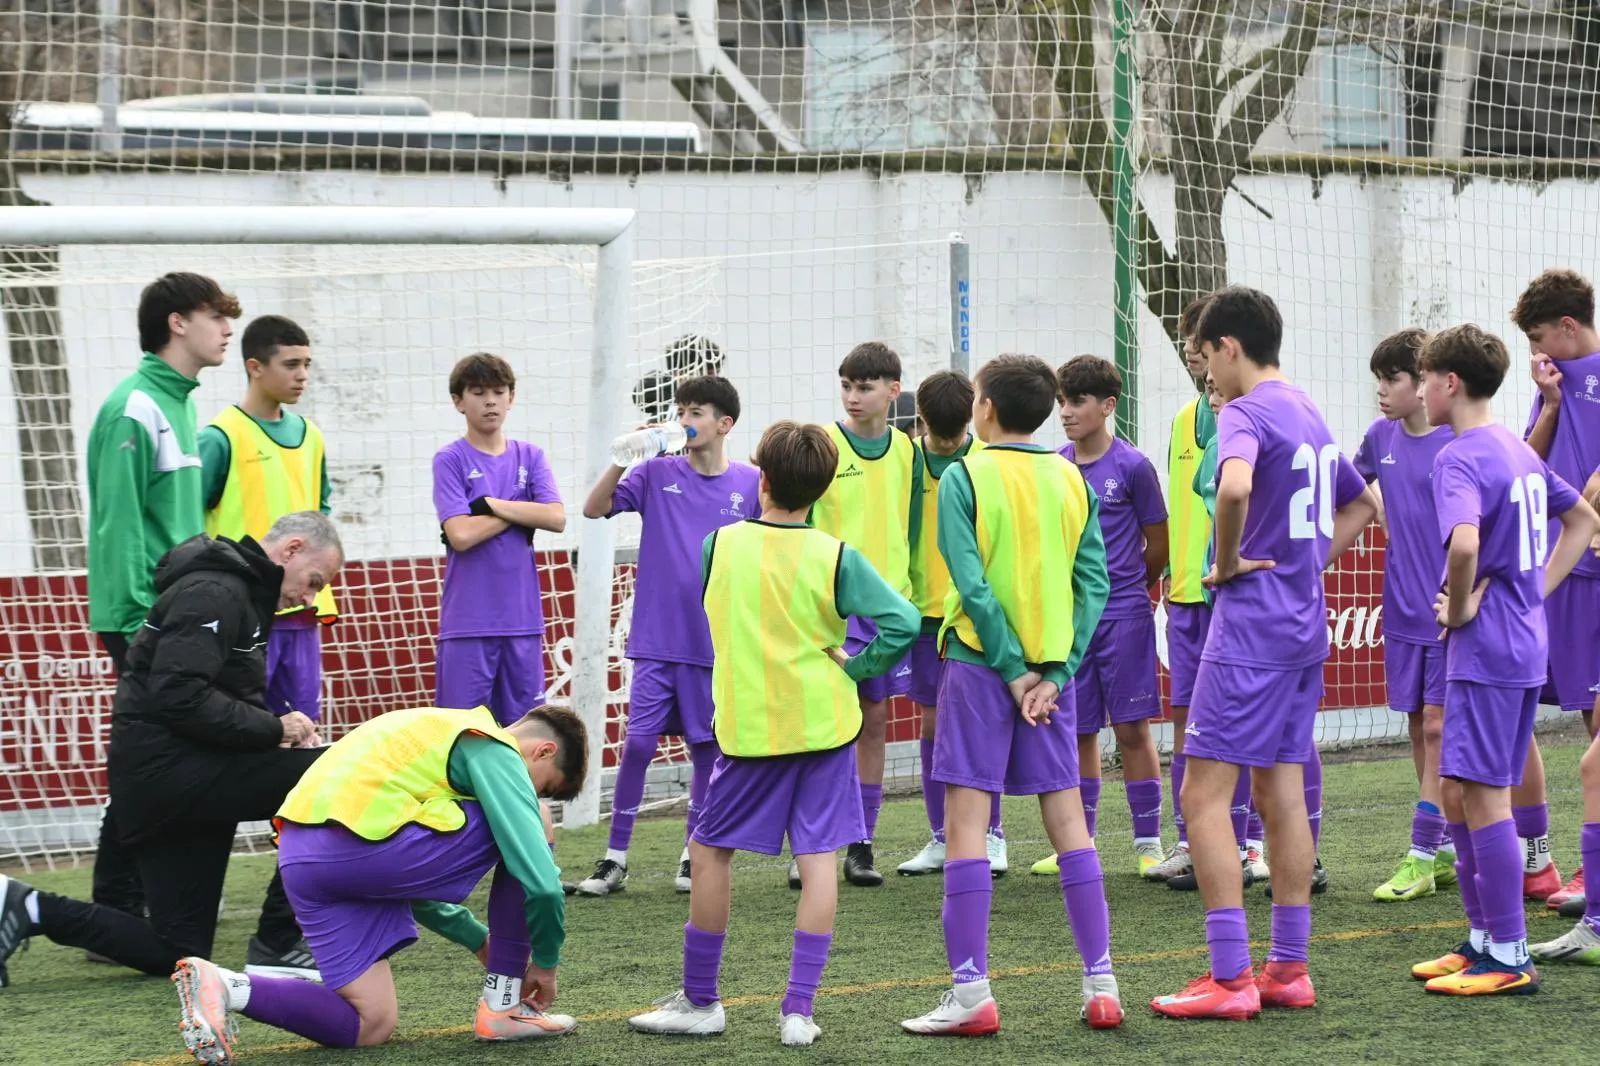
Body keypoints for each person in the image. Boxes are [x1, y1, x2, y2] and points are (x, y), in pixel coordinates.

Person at [628, 421, 919, 1046]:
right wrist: (861, 665)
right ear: (819, 491)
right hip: (824, 729)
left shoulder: (718, 545)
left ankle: (702, 1001)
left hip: (750, 733)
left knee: (709, 855)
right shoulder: (836, 554)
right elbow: (902, 620)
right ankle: (798, 1012)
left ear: (760, 479)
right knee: (818, 865)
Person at [1151, 287, 1376, 1020]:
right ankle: (1288, 968)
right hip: (1303, 627)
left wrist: (1227, 561)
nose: (1205, 376)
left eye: (1204, 357)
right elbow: (1362, 505)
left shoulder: (1242, 412)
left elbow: (1236, 485)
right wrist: (1310, 565)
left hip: (1249, 631)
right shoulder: (1307, 407)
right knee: (1280, 792)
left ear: (1230, 347)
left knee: (1203, 796)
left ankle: (1228, 978)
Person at [0, 512, 345, 988]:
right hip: (176, 776)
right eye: (313, 581)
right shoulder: (216, 592)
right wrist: (272, 728)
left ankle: (25, 906)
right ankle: (281, 942)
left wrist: (278, 730)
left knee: (179, 950)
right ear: (290, 549)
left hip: (171, 781)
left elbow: (211, 692)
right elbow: (179, 695)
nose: (309, 597)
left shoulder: (238, 592)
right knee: (340, 772)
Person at [160, 704, 589, 1063]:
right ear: (542, 750)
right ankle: (503, 1007)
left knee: (370, 1024)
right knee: (536, 823)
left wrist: (478, 939)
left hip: (303, 860)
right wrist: (545, 964)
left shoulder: (430, 726)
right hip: (358, 849)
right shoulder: (492, 745)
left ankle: (225, 986)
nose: (530, 793)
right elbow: (543, 885)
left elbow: (398, 877)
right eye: (542, 785)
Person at [901, 353, 1123, 1036]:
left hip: (978, 670)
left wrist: (1013, 669)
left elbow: (968, 586)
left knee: (967, 828)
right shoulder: (1070, 476)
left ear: (984, 408)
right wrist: (1055, 674)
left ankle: (972, 994)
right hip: (1052, 681)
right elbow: (1096, 587)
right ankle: (1102, 984)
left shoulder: (965, 476)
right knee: (1070, 826)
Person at [1409, 324, 1599, 995]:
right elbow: (1583, 519)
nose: (1421, 389)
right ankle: (1484, 937)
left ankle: (1509, 957)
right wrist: (1533, 589)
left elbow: (1463, 546)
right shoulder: (1515, 450)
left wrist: (1460, 607)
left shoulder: (1459, 456)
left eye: (1426, 377)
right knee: (1462, 789)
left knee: (1484, 798)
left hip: (1486, 648)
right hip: (1518, 644)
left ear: (1449, 382)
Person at [84, 272, 241, 930]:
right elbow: (117, 526)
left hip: (179, 612)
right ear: (178, 322)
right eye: (217, 316)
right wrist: (136, 620)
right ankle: (118, 904)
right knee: (158, 758)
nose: (228, 328)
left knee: (174, 755)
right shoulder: (133, 407)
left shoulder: (180, 405)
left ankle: (136, 898)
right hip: (143, 616)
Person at [575, 375, 760, 896]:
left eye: (696, 411)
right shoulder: (655, 472)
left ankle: (690, 853)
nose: (684, 420)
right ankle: (614, 859)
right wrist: (622, 456)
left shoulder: (749, 483)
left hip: (711, 644)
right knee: (636, 743)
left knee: (706, 748)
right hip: (655, 639)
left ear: (724, 424)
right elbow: (592, 508)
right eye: (680, 410)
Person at [1039, 355, 1168, 879]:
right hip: (1071, 623)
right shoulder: (1053, 466)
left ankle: (1149, 844)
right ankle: (1081, 841)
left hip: (1125, 616)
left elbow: (1158, 545)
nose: (1066, 412)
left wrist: (1132, 592)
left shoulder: (1133, 467)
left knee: (1133, 730)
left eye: (1077, 401)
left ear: (1107, 406)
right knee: (1078, 731)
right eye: (1061, 402)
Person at [803, 341, 924, 887]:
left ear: (892, 391)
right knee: (824, 728)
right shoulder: (822, 444)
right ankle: (812, 844)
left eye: (865, 386)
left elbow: (913, 529)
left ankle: (862, 844)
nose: (853, 396)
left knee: (874, 723)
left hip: (887, 609)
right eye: (847, 385)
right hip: (829, 609)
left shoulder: (909, 451)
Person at [1355, 328, 1459, 902]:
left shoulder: (1455, 441)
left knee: (1440, 727)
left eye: (1391, 378)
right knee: (1419, 725)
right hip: (1400, 608)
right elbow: (1353, 488)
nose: (1381, 390)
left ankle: (1420, 854)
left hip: (1448, 611)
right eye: (1379, 379)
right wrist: (1380, 517)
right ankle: (1443, 848)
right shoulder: (1378, 437)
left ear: (1424, 384)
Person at [1512, 268, 1600, 908]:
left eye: (1541, 339)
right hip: (1570, 565)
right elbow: (1527, 464)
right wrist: (1548, 403)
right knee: (1587, 713)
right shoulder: (1556, 384)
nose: (1536, 354)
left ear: (1569, 327)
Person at [899, 370, 1007, 877]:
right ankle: (942, 836)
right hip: (922, 611)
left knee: (980, 724)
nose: (945, 443)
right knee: (931, 723)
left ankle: (993, 835)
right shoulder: (905, 460)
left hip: (974, 611)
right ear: (920, 421)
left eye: (954, 433)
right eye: (935, 434)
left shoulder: (985, 462)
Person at [202, 315, 336, 723]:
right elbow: (188, 524)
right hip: (242, 615)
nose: (302, 376)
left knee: (303, 732)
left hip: (299, 612)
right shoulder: (219, 436)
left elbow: (322, 514)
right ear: (255, 367)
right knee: (246, 730)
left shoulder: (311, 436)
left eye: (307, 365)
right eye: (290, 365)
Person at [433, 353, 567, 725]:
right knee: (459, 734)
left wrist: (491, 505)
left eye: (498, 391)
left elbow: (556, 517)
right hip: (468, 624)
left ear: (511, 397)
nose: (490, 400)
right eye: (478, 392)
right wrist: (521, 510)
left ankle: (518, 789)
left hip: (522, 622)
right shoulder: (449, 459)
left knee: (524, 733)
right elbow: (460, 534)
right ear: (459, 401)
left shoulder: (531, 455)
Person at [1146, 296, 1225, 886]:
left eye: (1200, 340)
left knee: (1249, 728)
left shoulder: (1251, 414)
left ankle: (1252, 842)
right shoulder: (1181, 421)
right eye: (1187, 341)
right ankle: (1190, 838)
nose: (1192, 351)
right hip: (1188, 597)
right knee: (1187, 724)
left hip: (1235, 596)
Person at [634, 334, 726, 425]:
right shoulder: (668, 405)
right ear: (681, 373)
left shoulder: (713, 404)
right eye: (709, 373)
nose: (715, 378)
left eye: (716, 373)